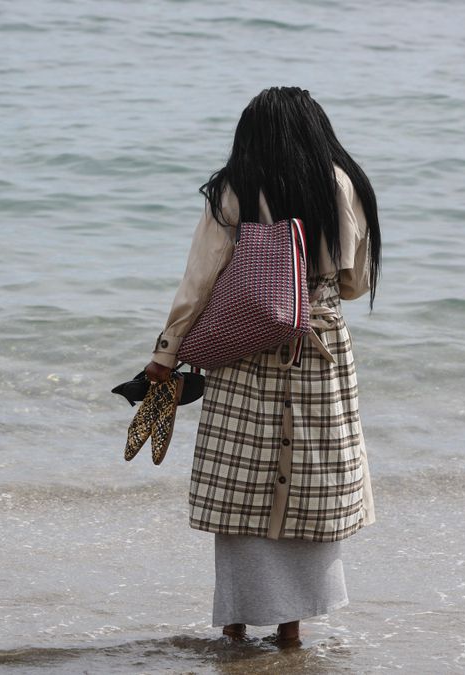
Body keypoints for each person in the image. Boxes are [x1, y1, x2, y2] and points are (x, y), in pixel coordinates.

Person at [144, 87, 382, 644]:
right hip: (320, 348)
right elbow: (354, 284)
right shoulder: (343, 184)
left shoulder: (234, 189)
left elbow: (200, 280)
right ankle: (291, 631)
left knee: (240, 487)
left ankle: (233, 631)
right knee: (308, 487)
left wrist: (165, 353)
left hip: (243, 346)